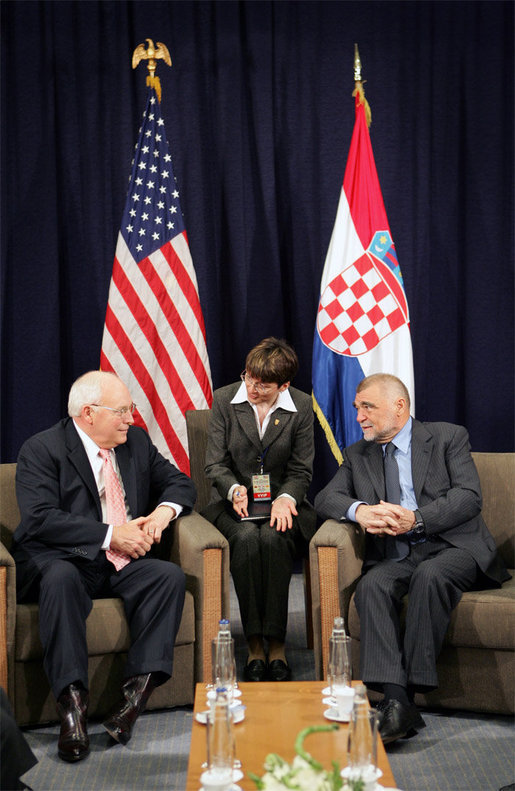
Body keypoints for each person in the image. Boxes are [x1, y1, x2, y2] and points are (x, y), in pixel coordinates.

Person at [11, 371, 196, 762]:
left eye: (130, 410)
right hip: (61, 559)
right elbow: (41, 519)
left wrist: (163, 513)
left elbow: (181, 483)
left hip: (119, 562)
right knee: (60, 579)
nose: (131, 419)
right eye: (122, 411)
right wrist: (113, 534)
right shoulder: (42, 449)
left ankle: (132, 703)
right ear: (89, 413)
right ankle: (72, 710)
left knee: (167, 576)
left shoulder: (136, 444)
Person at [314, 373, 509, 744]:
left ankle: (406, 695)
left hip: (455, 546)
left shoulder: (447, 437)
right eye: (357, 409)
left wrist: (417, 519)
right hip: (399, 554)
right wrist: (359, 511)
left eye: (367, 407)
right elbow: (326, 498)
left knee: (431, 575)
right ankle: (398, 700)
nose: (359, 417)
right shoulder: (359, 455)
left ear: (398, 406)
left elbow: (469, 497)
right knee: (371, 586)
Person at [203, 338, 316, 682]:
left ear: (284, 385)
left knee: (273, 537)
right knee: (247, 538)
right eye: (248, 378)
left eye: (262, 384)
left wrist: (286, 498)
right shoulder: (225, 400)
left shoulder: (302, 406)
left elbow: (301, 470)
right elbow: (215, 465)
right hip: (232, 504)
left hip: (283, 504)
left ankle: (277, 645)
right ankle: (254, 645)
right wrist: (234, 488)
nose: (251, 388)